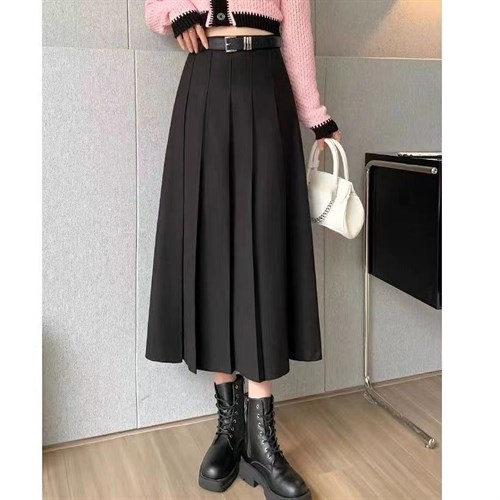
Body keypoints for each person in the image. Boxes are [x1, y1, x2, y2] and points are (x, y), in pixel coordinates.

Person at [144, 1, 341, 498]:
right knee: (210, 249)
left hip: (265, 82)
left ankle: (261, 441)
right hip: (205, 81)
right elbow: (153, 6)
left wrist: (316, 115)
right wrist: (179, 11)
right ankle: (229, 428)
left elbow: (298, 28)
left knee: (264, 248)